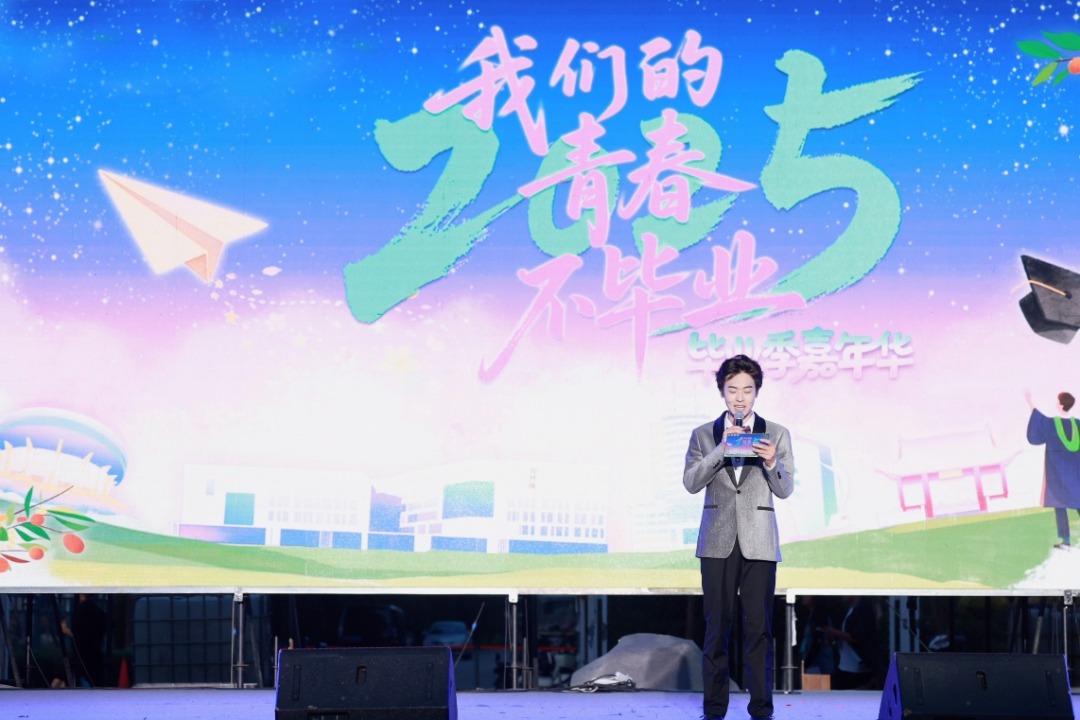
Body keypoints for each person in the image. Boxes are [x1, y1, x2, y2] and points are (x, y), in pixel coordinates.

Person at [684, 354, 795, 720]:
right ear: (722, 391)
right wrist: (721, 450)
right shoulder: (703, 434)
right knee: (716, 628)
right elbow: (691, 483)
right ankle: (714, 710)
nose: (740, 397)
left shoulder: (776, 433)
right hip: (717, 541)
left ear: (757, 391)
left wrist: (771, 462)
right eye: (733, 390)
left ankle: (761, 709)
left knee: (759, 629)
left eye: (747, 389)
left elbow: (785, 490)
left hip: (759, 541)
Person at [1025, 390, 1080, 549]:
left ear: (1061, 405)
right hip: (1076, 473)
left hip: (1058, 473)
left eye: (1057, 400)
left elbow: (1035, 436)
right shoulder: (1078, 424)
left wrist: (1030, 402)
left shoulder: (1051, 424)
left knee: (1060, 505)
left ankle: (1066, 541)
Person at [821, 596, 876, 690]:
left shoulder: (863, 611)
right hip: (844, 665)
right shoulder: (849, 610)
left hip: (856, 667)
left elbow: (857, 637)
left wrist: (833, 631)